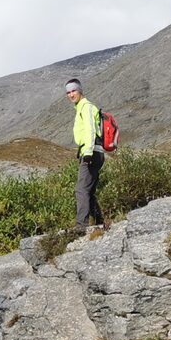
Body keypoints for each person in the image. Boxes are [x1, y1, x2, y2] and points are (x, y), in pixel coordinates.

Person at [65, 78, 105, 231]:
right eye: (68, 92)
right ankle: (99, 222)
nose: (71, 94)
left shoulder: (86, 107)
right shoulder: (81, 107)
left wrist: (87, 153)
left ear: (80, 91)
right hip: (95, 152)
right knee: (89, 189)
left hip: (91, 152)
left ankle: (81, 226)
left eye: (73, 91)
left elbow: (89, 130)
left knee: (81, 189)